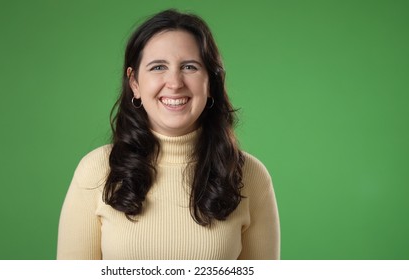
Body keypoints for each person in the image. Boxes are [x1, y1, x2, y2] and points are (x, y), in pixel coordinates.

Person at [57, 9, 280, 260]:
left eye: (190, 67)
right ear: (135, 83)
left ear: (210, 82)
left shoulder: (251, 175)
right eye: (158, 67)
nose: (174, 83)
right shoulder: (95, 170)